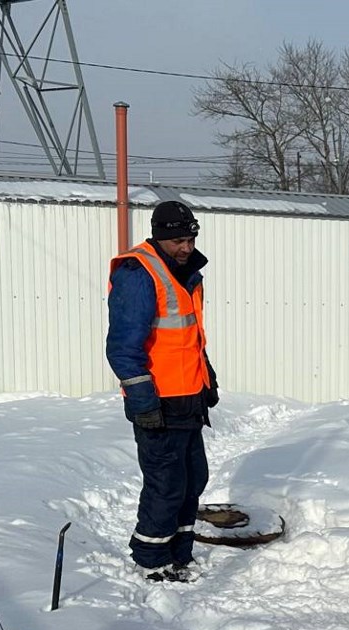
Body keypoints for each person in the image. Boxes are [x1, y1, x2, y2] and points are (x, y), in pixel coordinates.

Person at [106, 201, 218, 583]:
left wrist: (207, 379)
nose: (186, 248)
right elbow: (123, 348)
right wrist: (142, 402)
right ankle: (151, 559)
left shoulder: (185, 272)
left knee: (193, 479)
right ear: (159, 236)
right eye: (178, 241)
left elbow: (188, 337)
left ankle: (179, 553)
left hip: (188, 398)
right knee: (166, 485)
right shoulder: (139, 272)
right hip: (158, 402)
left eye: (190, 239)